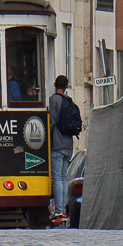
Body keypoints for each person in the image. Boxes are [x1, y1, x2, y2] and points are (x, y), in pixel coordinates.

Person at [49, 74, 74, 225]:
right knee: (63, 177)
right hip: (69, 144)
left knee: (57, 177)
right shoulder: (69, 101)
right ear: (66, 86)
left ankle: (58, 210)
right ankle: (63, 209)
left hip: (57, 144)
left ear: (54, 84)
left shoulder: (54, 100)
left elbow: (52, 121)